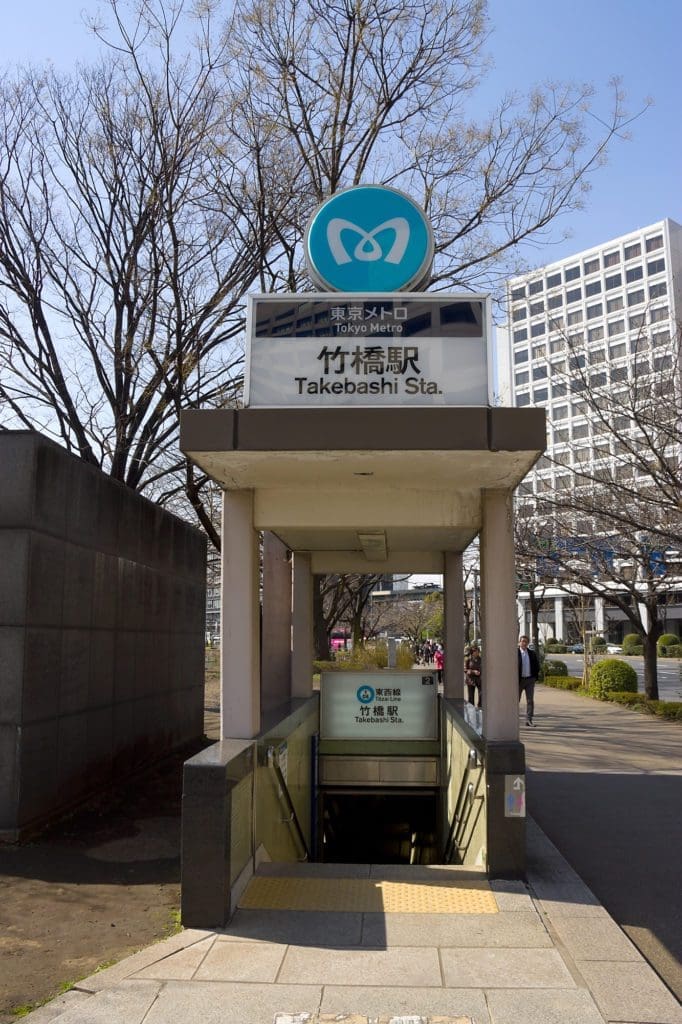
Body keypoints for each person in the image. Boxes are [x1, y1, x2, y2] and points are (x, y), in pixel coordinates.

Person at [518, 635, 540, 726]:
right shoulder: (514, 653)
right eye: (522, 641)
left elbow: (537, 666)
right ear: (519, 642)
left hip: (530, 680)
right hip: (518, 681)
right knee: (515, 700)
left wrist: (534, 677)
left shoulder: (531, 653)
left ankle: (529, 719)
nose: (524, 643)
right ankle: (513, 719)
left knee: (530, 700)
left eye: (526, 642)